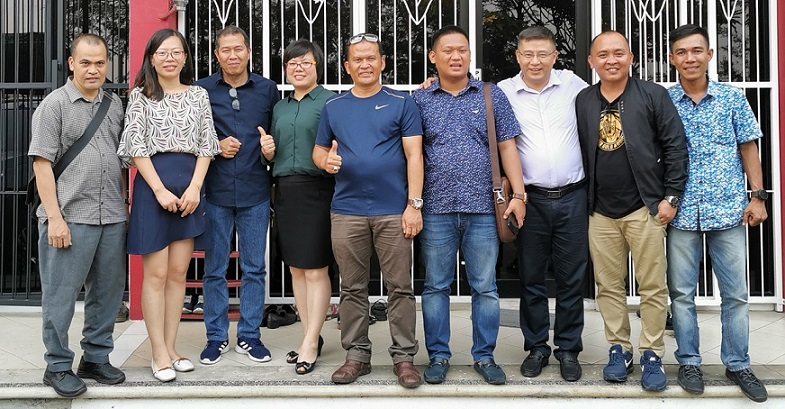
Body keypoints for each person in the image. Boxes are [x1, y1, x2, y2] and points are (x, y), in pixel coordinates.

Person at [413, 25, 526, 386]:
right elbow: (411, 151)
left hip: (484, 208)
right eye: (447, 50)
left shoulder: (491, 95)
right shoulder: (420, 100)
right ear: (433, 57)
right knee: (435, 286)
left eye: (462, 49)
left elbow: (507, 146)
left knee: (485, 287)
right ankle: (438, 355)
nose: (456, 56)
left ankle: (484, 356)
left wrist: (519, 195)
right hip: (435, 208)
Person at [575, 30, 687, 392]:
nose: (611, 60)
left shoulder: (653, 95)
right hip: (599, 211)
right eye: (603, 55)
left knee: (653, 285)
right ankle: (619, 349)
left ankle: (652, 353)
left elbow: (675, 146)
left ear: (631, 57)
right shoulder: (583, 99)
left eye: (618, 53)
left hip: (645, 207)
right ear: (591, 61)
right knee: (609, 286)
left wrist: (671, 197)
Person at [313, 33, 424, 388]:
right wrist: (325, 161)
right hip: (347, 210)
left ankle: (404, 357)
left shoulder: (402, 103)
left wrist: (414, 205)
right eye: (357, 59)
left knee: (400, 287)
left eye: (371, 58)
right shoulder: (334, 106)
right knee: (351, 287)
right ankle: (357, 356)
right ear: (347, 66)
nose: (365, 64)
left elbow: (414, 156)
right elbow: (319, 151)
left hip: (393, 210)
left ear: (382, 63)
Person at [666, 24, 768, 402]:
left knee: (736, 294)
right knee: (681, 294)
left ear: (710, 55)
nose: (689, 58)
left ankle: (738, 363)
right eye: (681, 52)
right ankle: (689, 361)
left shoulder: (732, 98)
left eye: (697, 50)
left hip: (728, 210)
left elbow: (748, 147)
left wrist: (757, 197)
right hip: (681, 212)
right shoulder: (664, 101)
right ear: (672, 58)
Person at [118, 28, 220, 382]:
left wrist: (195, 188)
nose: (170, 58)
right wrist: (159, 190)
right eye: (162, 53)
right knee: (157, 274)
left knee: (179, 273)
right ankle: (157, 352)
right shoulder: (140, 96)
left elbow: (207, 144)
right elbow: (135, 147)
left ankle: (173, 348)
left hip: (189, 188)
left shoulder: (198, 95)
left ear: (185, 57)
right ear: (151, 58)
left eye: (176, 52)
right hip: (154, 188)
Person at [29, 33, 127, 397]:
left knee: (107, 293)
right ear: (72, 63)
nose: (93, 69)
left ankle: (96, 358)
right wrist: (54, 218)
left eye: (100, 63)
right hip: (69, 215)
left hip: (111, 214)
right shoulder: (53, 105)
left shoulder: (114, 104)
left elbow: (120, 159)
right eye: (85, 62)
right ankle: (56, 365)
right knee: (60, 295)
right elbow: (42, 165)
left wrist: (124, 204)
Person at [497, 26, 588, 382]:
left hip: (573, 196)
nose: (535, 61)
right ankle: (537, 346)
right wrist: (429, 82)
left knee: (571, 278)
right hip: (529, 199)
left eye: (543, 54)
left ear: (554, 56)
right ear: (518, 56)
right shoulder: (504, 91)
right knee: (532, 278)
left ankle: (568, 348)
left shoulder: (573, 85)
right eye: (528, 54)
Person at [194, 26, 280, 365]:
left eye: (238, 49)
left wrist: (270, 151)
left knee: (254, 268)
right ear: (217, 54)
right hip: (214, 191)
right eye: (225, 50)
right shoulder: (201, 90)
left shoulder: (267, 89)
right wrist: (216, 146)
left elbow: (276, 135)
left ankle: (249, 335)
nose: (233, 55)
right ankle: (216, 337)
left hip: (255, 189)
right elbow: (190, 136)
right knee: (214, 269)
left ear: (248, 52)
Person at [263, 39, 336, 375]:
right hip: (286, 191)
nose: (299, 68)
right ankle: (310, 335)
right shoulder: (279, 107)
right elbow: (274, 153)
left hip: (318, 190)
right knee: (295, 268)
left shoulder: (331, 102)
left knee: (316, 268)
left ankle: (310, 342)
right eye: (292, 63)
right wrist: (267, 152)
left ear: (317, 66)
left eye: (306, 62)